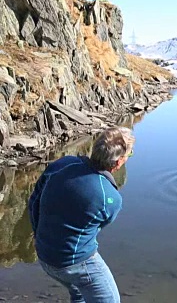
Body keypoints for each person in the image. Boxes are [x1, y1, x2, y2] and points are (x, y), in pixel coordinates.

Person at [28, 127, 135, 303]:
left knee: (79, 293)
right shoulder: (109, 197)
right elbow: (100, 224)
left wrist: (38, 235)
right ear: (118, 163)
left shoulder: (63, 164)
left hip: (44, 255)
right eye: (128, 156)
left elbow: (34, 202)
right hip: (75, 263)